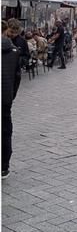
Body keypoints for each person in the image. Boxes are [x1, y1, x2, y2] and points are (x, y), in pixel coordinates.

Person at [2, 20, 22, 178]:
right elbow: (17, 78)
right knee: (6, 132)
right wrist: (11, 95)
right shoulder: (14, 51)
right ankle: (4, 167)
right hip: (6, 97)